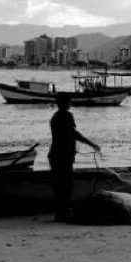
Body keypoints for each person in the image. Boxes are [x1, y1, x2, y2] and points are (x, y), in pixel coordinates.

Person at [48, 93, 101, 221]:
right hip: (63, 156)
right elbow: (74, 134)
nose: (70, 104)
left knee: (59, 184)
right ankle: (63, 213)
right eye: (69, 102)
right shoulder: (66, 116)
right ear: (65, 103)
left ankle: (60, 213)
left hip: (55, 155)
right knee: (66, 184)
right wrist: (92, 144)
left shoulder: (55, 117)